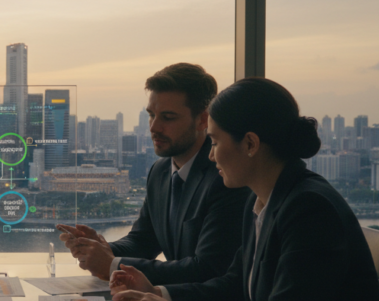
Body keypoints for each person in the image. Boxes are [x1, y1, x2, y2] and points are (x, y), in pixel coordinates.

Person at [112, 77, 379, 301]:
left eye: (215, 143)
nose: (210, 156)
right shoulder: (265, 199)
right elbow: (235, 284)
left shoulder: (309, 208)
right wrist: (158, 294)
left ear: (250, 144)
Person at [57, 63, 248, 284]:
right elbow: (143, 241)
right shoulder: (160, 172)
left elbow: (207, 269)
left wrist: (111, 264)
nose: (154, 127)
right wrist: (100, 248)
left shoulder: (225, 176)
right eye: (151, 115)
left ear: (202, 120)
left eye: (168, 117)